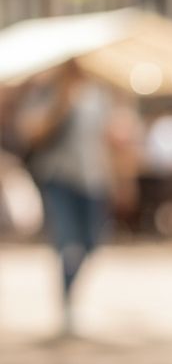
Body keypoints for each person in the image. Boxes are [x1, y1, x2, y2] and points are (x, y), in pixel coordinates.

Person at [15, 60, 115, 333]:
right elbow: (29, 133)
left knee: (92, 242)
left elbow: (103, 140)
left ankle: (71, 294)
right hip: (59, 178)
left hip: (92, 179)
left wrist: (117, 179)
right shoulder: (45, 93)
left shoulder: (97, 95)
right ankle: (67, 303)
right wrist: (60, 104)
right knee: (67, 242)